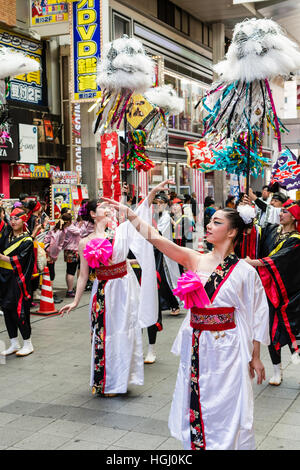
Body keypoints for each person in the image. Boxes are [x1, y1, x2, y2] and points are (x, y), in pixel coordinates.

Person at [102, 196, 270, 450]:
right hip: (197, 344)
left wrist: (255, 356)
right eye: (210, 221)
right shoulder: (195, 259)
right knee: (197, 394)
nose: (210, 226)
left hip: (229, 347)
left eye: (217, 222)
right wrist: (132, 215)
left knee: (228, 403)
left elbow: (257, 314)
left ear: (233, 231)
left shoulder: (245, 271)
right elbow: (158, 240)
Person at [59, 195, 158, 396]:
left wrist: (151, 195)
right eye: (103, 207)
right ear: (93, 214)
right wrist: (76, 301)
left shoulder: (120, 231)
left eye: (109, 207)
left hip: (125, 288)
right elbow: (83, 276)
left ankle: (123, 379)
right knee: (106, 336)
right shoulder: (84, 242)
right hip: (105, 292)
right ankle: (107, 381)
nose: (109, 209)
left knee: (126, 333)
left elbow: (140, 219)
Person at [244, 199, 300, 386]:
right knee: (269, 329)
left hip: (288, 293)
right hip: (266, 288)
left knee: (292, 330)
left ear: (294, 217)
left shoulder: (296, 240)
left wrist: (253, 262)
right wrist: (247, 210)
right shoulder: (272, 230)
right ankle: (277, 370)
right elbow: (254, 232)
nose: (281, 214)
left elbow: (278, 259)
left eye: (285, 211)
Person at [0, 208, 35, 357]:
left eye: (17, 219)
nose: (14, 221)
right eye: (12, 219)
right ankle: (14, 342)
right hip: (3, 278)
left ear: (24, 220)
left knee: (18, 311)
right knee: (6, 310)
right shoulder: (6, 236)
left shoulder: (27, 241)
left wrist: (1, 257)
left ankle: (28, 342)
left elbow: (20, 261)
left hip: (18, 280)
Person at [153, 193, 181, 316]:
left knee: (165, 279)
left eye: (161, 203)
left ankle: (174, 303)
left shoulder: (165, 217)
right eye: (156, 203)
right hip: (155, 251)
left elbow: (158, 233)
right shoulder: (154, 216)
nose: (158, 205)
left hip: (164, 252)